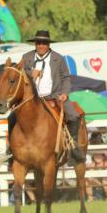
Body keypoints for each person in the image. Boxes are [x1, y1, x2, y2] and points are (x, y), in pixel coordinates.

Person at [22, 30, 84, 162]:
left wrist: (65, 93)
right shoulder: (26, 57)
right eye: (38, 43)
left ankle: (73, 147)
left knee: (73, 115)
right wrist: (30, 73)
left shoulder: (58, 58)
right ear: (35, 44)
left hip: (54, 97)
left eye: (44, 43)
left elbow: (66, 77)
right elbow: (19, 75)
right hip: (31, 99)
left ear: (49, 44)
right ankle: (12, 149)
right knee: (12, 116)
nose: (41, 46)